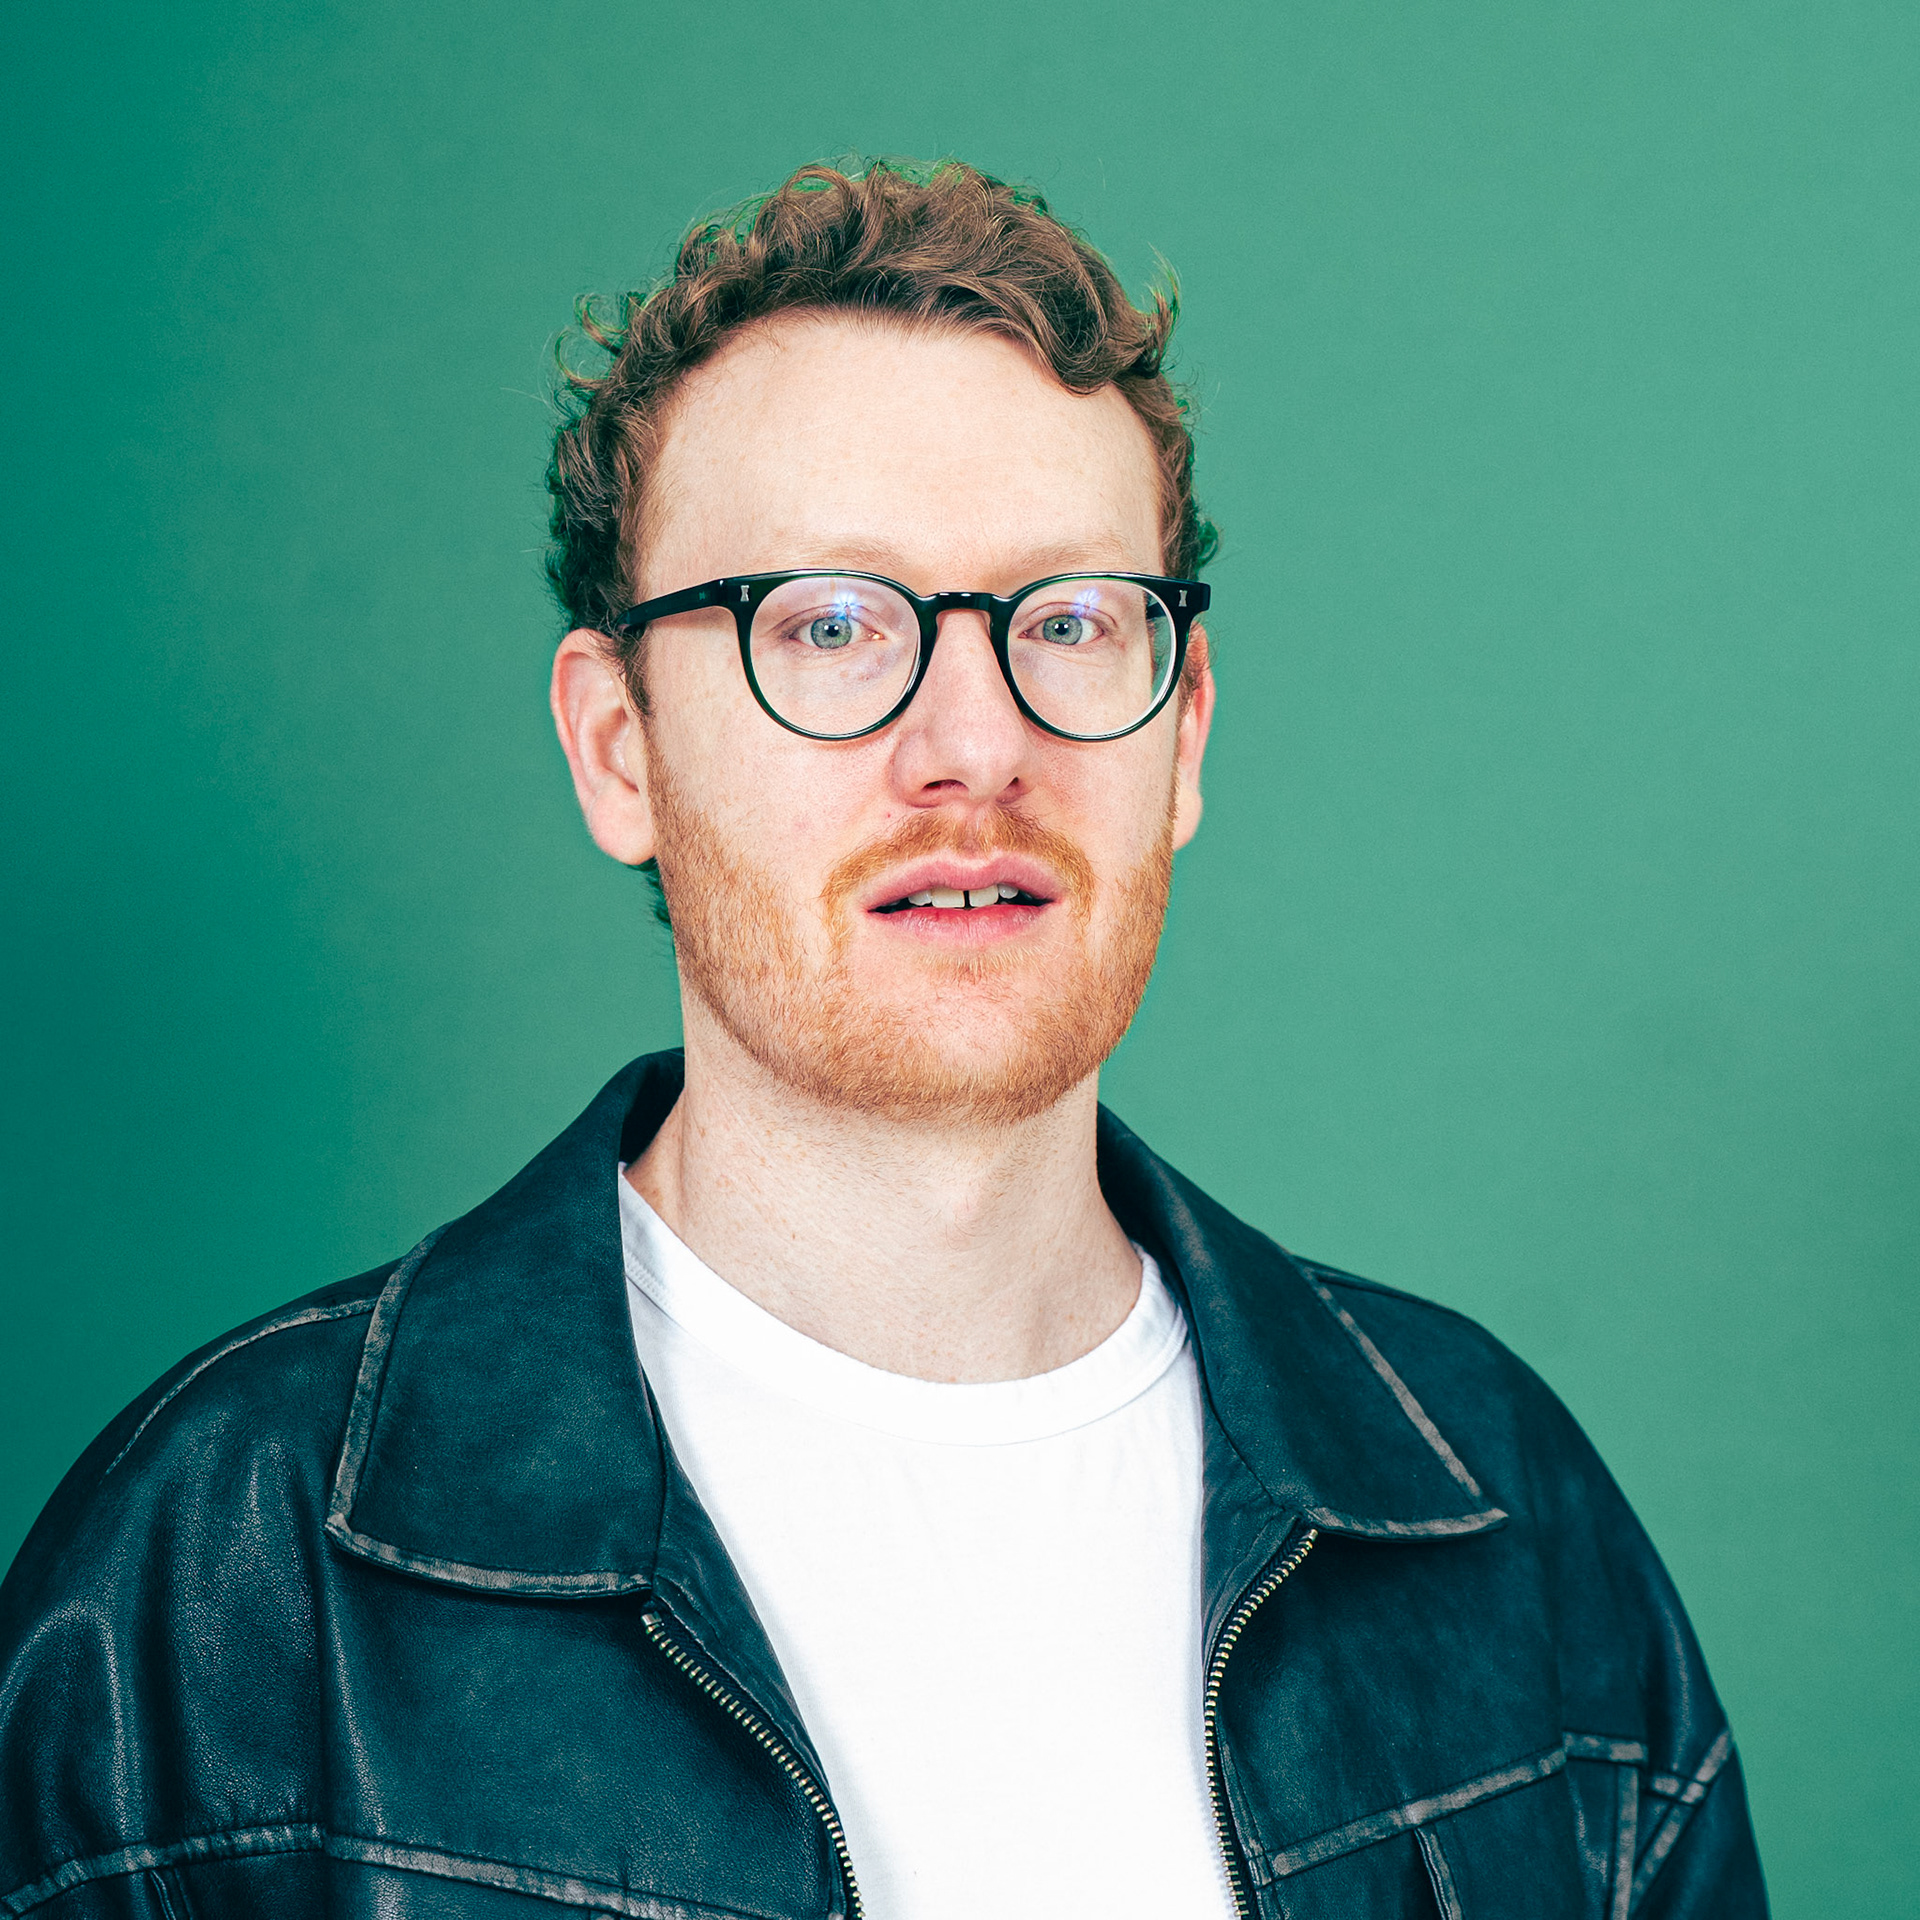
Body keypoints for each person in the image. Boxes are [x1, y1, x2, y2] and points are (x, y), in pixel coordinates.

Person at [0, 160, 1765, 1920]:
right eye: (832, 626)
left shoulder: (1495, 1512)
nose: (977, 746)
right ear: (619, 748)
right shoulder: (215, 1581)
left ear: (1186, 738)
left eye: (1071, 622)